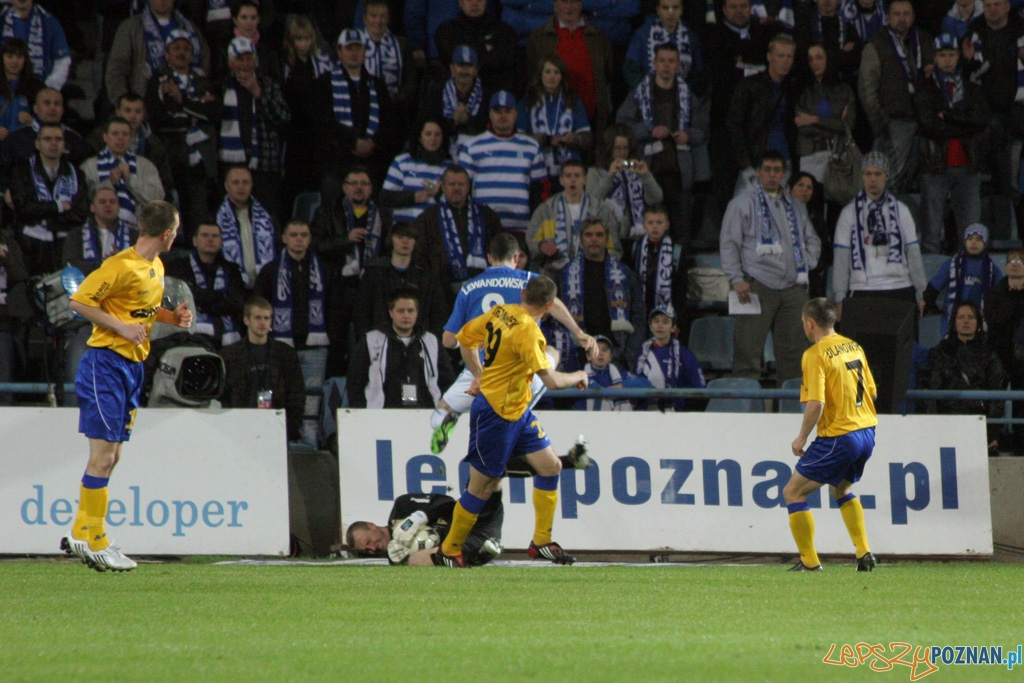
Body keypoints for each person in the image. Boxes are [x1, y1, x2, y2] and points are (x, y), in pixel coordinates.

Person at [59, 200, 193, 572]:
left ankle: (80, 532)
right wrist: (120, 328)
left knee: (112, 456)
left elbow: (140, 312)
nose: (176, 236)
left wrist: (171, 317)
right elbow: (79, 301)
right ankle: (96, 540)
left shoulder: (156, 266)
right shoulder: (120, 266)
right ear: (166, 233)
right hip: (105, 365)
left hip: (132, 367)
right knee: (103, 456)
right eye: (175, 230)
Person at [434, 275, 589, 567]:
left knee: (551, 466)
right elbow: (552, 382)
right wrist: (579, 375)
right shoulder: (530, 333)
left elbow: (464, 339)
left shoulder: (500, 311)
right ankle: (449, 551)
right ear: (549, 306)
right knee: (482, 487)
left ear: (522, 293)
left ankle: (541, 541)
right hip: (496, 414)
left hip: (518, 410)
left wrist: (479, 374)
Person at [428, 233, 594, 452]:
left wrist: (475, 359)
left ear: (489, 257)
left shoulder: (469, 287)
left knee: (442, 411)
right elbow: (553, 303)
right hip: (520, 374)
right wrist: (578, 332)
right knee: (552, 352)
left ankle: (451, 417)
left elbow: (449, 340)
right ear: (516, 257)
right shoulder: (530, 281)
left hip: (482, 370)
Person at [783, 296, 878, 572]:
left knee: (793, 492)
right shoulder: (854, 346)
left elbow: (816, 403)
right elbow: (872, 392)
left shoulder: (815, 354)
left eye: (804, 322)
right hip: (867, 432)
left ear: (810, 323)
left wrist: (801, 437)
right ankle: (864, 552)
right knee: (841, 489)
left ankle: (810, 563)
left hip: (840, 435)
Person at [720, 150, 821, 383]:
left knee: (794, 354)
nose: (772, 175)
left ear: (784, 174)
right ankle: (745, 402)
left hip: (793, 287)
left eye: (777, 170)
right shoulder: (742, 203)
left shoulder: (795, 205)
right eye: (767, 169)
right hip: (756, 284)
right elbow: (729, 243)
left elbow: (813, 240)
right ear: (758, 172)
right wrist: (736, 278)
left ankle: (791, 403)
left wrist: (803, 264)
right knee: (748, 350)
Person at [618, 41, 710, 244]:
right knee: (651, 228)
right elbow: (623, 124)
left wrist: (688, 136)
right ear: (654, 63)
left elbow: (702, 129)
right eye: (662, 61)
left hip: (680, 174)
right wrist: (650, 131)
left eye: (671, 61)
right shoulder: (639, 93)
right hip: (650, 172)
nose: (666, 66)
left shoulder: (687, 95)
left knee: (681, 231)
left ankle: (678, 262)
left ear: (678, 65)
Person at [255, 220, 330, 447]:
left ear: (310, 239)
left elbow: (336, 308)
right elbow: (259, 307)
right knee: (278, 395)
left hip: (314, 348)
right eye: (294, 235)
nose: (299, 239)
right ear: (284, 238)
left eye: (303, 235)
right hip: (280, 347)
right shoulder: (270, 271)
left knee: (312, 400)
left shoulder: (324, 270)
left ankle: (309, 446)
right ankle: (276, 445)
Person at [311, 166, 391, 375]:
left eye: (364, 184)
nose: (359, 188)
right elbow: (316, 245)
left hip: (370, 288)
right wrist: (345, 240)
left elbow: (389, 251)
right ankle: (334, 384)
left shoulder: (382, 214)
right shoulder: (327, 212)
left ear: (371, 189)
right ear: (345, 188)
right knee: (336, 343)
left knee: (370, 339)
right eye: (354, 183)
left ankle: (370, 382)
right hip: (338, 287)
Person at [914, 33, 989, 255]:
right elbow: (929, 125)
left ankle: (968, 274)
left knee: (971, 235)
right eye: (942, 55)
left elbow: (980, 120)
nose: (947, 60)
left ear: (958, 56)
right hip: (935, 166)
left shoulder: (971, 86)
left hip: (967, 166)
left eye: (951, 54)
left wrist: (948, 117)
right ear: (935, 58)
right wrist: (964, 123)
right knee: (931, 235)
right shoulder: (926, 87)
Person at [831, 151, 927, 323]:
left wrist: (921, 292)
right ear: (862, 176)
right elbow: (841, 259)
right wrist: (839, 298)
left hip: (900, 288)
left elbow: (913, 253)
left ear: (886, 176)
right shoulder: (848, 213)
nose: (873, 179)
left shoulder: (902, 210)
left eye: (878, 174)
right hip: (861, 289)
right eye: (868, 174)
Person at [145, 30, 221, 241]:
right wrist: (193, 113)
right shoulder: (158, 81)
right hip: (170, 157)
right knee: (168, 216)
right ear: (167, 54)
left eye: (186, 49)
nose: (181, 53)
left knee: (198, 213)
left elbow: (213, 114)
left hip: (199, 162)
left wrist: (181, 101)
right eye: (176, 48)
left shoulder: (203, 81)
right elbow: (158, 118)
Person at [858, 0, 935, 193]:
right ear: (888, 17)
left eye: (906, 14)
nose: (902, 18)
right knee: (889, 179)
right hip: (894, 121)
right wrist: (881, 123)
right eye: (897, 14)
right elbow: (867, 89)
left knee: (920, 180)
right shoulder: (876, 44)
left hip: (925, 121)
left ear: (913, 17)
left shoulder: (924, 40)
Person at [962, 0, 1023, 241]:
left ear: (1007, 7)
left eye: (997, 4)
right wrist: (968, 62)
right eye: (987, 5)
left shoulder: (1021, 32)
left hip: (1016, 120)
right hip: (983, 120)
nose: (992, 9)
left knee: (1010, 184)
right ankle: (981, 238)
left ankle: (1010, 238)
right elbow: (966, 77)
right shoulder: (973, 34)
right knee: (981, 183)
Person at [218, 36, 290, 224]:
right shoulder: (222, 87)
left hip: (265, 165)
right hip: (232, 165)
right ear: (230, 62)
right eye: (240, 59)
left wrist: (258, 92)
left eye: (249, 58)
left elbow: (283, 119)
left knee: (269, 219)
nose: (245, 64)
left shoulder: (269, 85)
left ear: (256, 61)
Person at [347, 285, 456, 409]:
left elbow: (448, 381)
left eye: (410, 311)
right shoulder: (371, 341)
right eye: (401, 311)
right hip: (381, 414)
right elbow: (355, 382)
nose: (406, 315)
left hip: (426, 413)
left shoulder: (431, 341)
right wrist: (362, 412)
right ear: (391, 312)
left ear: (417, 313)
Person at [559, 218, 646, 367]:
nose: (594, 239)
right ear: (581, 239)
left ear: (607, 239)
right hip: (577, 356)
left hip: (617, 355)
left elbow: (639, 315)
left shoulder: (625, 274)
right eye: (588, 235)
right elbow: (557, 317)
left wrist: (629, 355)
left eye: (599, 235)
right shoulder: (565, 275)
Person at [219, 297, 306, 445]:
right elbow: (224, 393)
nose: (263, 322)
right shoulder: (229, 355)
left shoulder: (285, 353)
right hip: (240, 425)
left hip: (276, 424)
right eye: (258, 318)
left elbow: (296, 392)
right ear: (246, 320)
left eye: (267, 318)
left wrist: (290, 426)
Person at [458, 90, 546, 235]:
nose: (503, 115)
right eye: (498, 111)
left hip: (520, 229)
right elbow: (461, 189)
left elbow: (540, 192)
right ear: (490, 113)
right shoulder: (472, 146)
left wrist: (539, 230)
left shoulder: (531, 147)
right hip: (482, 229)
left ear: (516, 114)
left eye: (507, 111)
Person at [413, 164, 504, 302]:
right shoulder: (428, 218)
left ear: (468, 187)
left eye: (461, 184)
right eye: (451, 184)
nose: (456, 188)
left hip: (484, 292)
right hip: (441, 294)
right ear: (443, 187)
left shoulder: (487, 216)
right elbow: (420, 256)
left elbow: (501, 250)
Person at [8, 122, 89, 275]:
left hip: (65, 246)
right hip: (30, 247)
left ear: (64, 144)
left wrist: (45, 217)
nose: (53, 143)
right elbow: (24, 208)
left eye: (58, 139)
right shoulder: (21, 171)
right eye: (47, 139)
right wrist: (58, 207)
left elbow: (80, 213)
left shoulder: (76, 174)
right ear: (37, 144)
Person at [525, 0, 615, 138]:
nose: (569, 7)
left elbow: (608, 74)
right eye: (564, 1)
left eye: (573, 1)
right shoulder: (538, 38)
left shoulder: (598, 37)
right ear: (555, 5)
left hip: (593, 119)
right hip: (550, 124)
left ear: (581, 4)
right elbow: (532, 76)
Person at [928, 301, 1006, 452]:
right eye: (961, 317)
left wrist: (992, 433)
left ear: (978, 322)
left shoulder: (989, 353)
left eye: (970, 317)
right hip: (947, 421)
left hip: (978, 421)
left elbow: (997, 395)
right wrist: (933, 427)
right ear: (954, 322)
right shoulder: (942, 351)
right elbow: (934, 391)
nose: (966, 321)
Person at [727, 33, 799, 194]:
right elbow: (734, 125)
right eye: (780, 55)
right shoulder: (750, 85)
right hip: (756, 163)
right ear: (769, 56)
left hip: (785, 162)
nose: (785, 61)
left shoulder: (793, 88)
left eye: (789, 56)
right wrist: (746, 164)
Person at [347, 491, 504, 566]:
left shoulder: (402, 506)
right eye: (367, 550)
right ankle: (477, 556)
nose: (373, 548)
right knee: (416, 561)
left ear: (371, 526)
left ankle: (507, 459)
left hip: (477, 517)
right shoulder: (396, 556)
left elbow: (447, 502)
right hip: (475, 541)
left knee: (485, 482)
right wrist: (404, 561)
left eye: (368, 541)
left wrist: (419, 517)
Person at [325, 29, 394, 198]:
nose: (354, 53)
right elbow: (323, 122)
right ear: (339, 51)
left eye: (358, 48)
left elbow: (389, 123)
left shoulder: (377, 85)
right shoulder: (325, 83)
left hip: (371, 166)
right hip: (337, 166)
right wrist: (352, 141)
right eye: (349, 48)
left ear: (365, 51)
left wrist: (372, 143)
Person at [527, 160, 622, 278]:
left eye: (577, 176)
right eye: (568, 176)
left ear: (585, 180)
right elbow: (531, 240)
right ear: (561, 180)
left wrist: (601, 267)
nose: (573, 180)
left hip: (591, 274)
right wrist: (541, 246)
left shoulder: (600, 210)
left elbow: (614, 248)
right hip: (554, 274)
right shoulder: (546, 210)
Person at [105, 0, 209, 107]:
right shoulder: (130, 28)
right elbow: (117, 68)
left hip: (189, 105)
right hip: (144, 106)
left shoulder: (190, 28)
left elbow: (204, 63)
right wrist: (122, 101)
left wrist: (201, 96)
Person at [279, 15, 334, 214]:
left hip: (315, 137)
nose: (303, 44)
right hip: (294, 135)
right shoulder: (285, 67)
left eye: (307, 39)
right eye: (298, 39)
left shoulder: (319, 67)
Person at [354, 221, 446, 338]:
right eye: (400, 237)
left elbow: (438, 314)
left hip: (418, 340)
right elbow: (362, 312)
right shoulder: (374, 273)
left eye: (410, 238)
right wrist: (367, 341)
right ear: (391, 240)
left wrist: (431, 341)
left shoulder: (427, 276)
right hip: (380, 340)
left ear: (415, 241)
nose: (405, 241)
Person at [164, 220, 245, 349]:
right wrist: (220, 296)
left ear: (221, 241)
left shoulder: (232, 269)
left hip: (225, 340)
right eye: (205, 235)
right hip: (190, 337)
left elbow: (237, 302)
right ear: (195, 241)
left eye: (215, 236)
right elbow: (184, 297)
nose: (210, 239)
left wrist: (203, 303)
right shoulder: (177, 267)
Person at [516, 55, 592, 188]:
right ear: (540, 74)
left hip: (569, 173)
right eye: (548, 72)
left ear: (562, 76)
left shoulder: (573, 100)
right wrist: (545, 139)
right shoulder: (527, 101)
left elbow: (587, 138)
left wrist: (574, 139)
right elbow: (518, 139)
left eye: (556, 72)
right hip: (537, 171)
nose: (552, 77)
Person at [0, 87, 91, 192]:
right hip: (22, 197)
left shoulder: (75, 140)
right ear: (36, 108)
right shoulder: (16, 139)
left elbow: (84, 174)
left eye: (57, 104)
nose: (52, 108)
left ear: (62, 110)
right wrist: (6, 191)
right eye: (47, 103)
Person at [81, 117, 165, 228]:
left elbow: (157, 199)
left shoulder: (145, 165)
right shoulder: (89, 166)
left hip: (136, 229)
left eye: (125, 134)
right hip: (98, 229)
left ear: (130, 137)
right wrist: (109, 183)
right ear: (105, 137)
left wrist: (130, 180)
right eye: (115, 133)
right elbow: (82, 201)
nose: (120, 138)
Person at [586, 124, 663, 242]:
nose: (622, 153)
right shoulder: (595, 172)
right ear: (608, 148)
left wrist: (646, 176)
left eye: (625, 148)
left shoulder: (636, 169)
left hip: (639, 234)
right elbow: (591, 203)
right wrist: (609, 176)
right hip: (610, 234)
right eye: (617, 148)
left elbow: (656, 199)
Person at [921, 223, 1002, 337]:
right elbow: (935, 285)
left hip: (979, 319)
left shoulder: (991, 268)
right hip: (952, 319)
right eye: (970, 239)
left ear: (985, 243)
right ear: (965, 241)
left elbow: (1001, 291)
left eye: (978, 240)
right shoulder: (953, 264)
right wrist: (929, 303)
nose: (973, 243)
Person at [794, 43, 856, 184]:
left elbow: (847, 127)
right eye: (810, 59)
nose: (814, 63)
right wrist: (834, 126)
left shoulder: (844, 89)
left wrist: (814, 120)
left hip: (838, 153)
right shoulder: (802, 90)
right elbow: (802, 127)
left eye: (819, 57)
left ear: (828, 59)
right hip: (810, 154)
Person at [417, 45, 491, 161]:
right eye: (460, 65)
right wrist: (453, 122)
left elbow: (490, 130)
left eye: (469, 66)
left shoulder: (487, 97)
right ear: (452, 68)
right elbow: (426, 124)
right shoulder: (436, 92)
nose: (464, 71)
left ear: (476, 70)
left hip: (477, 156)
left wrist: (468, 120)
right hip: (442, 156)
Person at [984, 248, 1024, 452]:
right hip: (998, 355)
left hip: (1022, 360)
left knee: (1021, 403)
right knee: (994, 400)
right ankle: (992, 440)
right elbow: (994, 320)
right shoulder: (994, 293)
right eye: (1012, 260)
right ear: (1006, 266)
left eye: (1020, 261)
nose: (1016, 264)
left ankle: (1020, 442)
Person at [434, 0, 520, 94]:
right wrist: (485, 49)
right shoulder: (446, 31)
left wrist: (470, 50)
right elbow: (452, 59)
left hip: (495, 90)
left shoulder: (504, 32)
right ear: (461, 2)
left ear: (485, 2)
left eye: (479, 0)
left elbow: (504, 62)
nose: (474, 3)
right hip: (457, 92)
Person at [633, 306, 706, 411]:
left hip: (675, 414)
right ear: (650, 326)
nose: (660, 325)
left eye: (665, 322)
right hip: (644, 414)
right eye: (656, 321)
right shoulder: (641, 352)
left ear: (673, 327)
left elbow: (699, 390)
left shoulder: (685, 354)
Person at [216, 165, 276, 289]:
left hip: (264, 286)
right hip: (232, 286)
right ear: (226, 186)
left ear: (252, 185)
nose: (241, 187)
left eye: (245, 182)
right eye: (236, 182)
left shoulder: (267, 215)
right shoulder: (217, 217)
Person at [380, 118, 450, 224]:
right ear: (420, 137)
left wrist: (438, 193)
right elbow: (385, 197)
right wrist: (412, 197)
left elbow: (457, 202)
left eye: (437, 134)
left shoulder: (450, 167)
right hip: (404, 229)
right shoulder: (402, 161)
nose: (433, 138)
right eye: (428, 134)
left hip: (435, 229)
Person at [624, 0, 705, 91]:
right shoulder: (642, 34)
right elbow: (631, 69)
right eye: (665, 8)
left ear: (682, 9)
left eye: (675, 7)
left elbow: (698, 73)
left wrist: (684, 91)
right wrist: (644, 91)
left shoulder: (691, 37)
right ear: (658, 10)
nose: (671, 13)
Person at [632, 204, 688, 320]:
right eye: (650, 223)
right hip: (642, 311)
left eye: (659, 222)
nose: (655, 226)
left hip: (668, 313)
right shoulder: (636, 249)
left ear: (667, 225)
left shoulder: (676, 251)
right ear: (644, 225)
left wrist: (677, 319)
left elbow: (681, 289)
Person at [0, 0, 69, 91]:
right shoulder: (2, 20)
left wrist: (49, 88)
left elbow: (62, 60)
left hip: (40, 88)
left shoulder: (49, 22)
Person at [575, 334, 635, 411]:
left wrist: (622, 385)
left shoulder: (620, 375)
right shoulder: (579, 377)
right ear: (588, 356)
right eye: (596, 349)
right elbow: (571, 385)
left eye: (604, 350)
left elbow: (645, 382)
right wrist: (596, 387)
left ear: (610, 357)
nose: (600, 353)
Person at [0, 38, 43, 141]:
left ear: (25, 60)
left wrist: (32, 122)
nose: (14, 61)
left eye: (19, 57)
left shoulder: (36, 86)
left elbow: (47, 120)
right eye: (9, 56)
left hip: (25, 143)